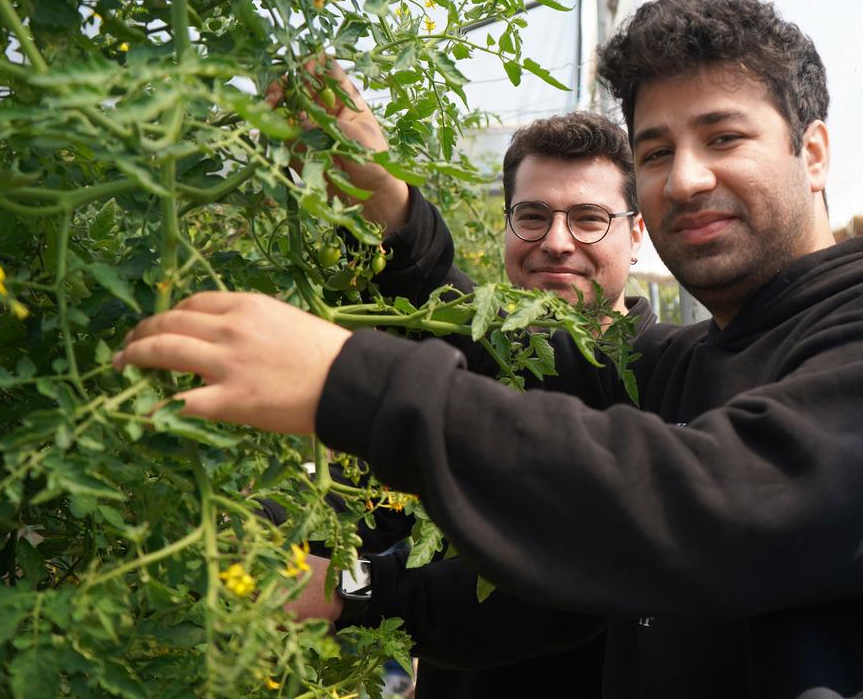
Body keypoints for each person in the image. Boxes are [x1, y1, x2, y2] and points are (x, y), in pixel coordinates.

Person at [117, 0, 863, 698]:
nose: (688, 176)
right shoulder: (705, 354)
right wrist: (389, 208)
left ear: (815, 152)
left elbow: (707, 506)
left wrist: (349, 379)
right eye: (659, 149)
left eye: (724, 136)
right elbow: (529, 367)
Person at [270, 66, 656, 697]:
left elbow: (565, 385)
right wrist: (258, 526)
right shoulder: (471, 358)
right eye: (532, 216)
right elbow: (382, 511)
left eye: (590, 219)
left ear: (636, 233)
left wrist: (399, 215)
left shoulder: (660, 379)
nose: (557, 242)